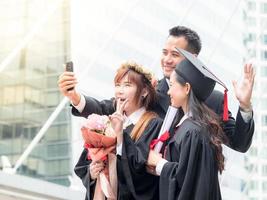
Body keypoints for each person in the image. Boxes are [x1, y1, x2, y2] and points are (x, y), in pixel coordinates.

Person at [58, 26, 255, 153]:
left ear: (193, 58)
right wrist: (75, 97)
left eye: (175, 55)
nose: (167, 60)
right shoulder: (150, 90)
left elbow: (239, 143)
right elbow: (108, 107)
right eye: (164, 53)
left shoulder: (213, 100)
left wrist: (245, 106)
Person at [147, 48, 233, 200]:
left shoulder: (193, 131)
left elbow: (189, 183)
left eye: (172, 85)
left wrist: (160, 163)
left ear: (186, 88)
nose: (168, 92)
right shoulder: (191, 127)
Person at [74, 61, 163, 200]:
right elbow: (82, 166)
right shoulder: (107, 121)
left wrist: (120, 134)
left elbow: (140, 171)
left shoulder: (152, 124)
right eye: (117, 85)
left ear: (144, 91)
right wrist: (91, 172)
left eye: (127, 85)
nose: (120, 90)